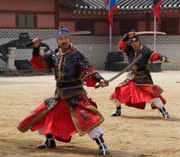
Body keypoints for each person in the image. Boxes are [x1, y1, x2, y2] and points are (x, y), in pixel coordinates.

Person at [17, 27, 109, 155]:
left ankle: (102, 144)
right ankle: (49, 140)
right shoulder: (53, 54)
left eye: (65, 38)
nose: (63, 41)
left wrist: (99, 79)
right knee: (42, 114)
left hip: (75, 94)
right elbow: (39, 64)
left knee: (87, 118)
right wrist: (36, 48)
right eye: (60, 39)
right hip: (59, 94)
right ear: (57, 41)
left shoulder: (77, 55)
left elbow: (88, 70)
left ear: (69, 39)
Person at [110, 31, 170, 119]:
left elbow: (154, 55)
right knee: (118, 92)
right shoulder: (129, 48)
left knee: (150, 96)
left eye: (136, 43)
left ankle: (164, 112)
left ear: (139, 42)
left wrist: (162, 58)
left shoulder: (145, 50)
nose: (134, 45)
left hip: (143, 76)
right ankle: (118, 110)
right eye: (132, 43)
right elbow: (121, 46)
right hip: (131, 76)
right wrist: (126, 36)